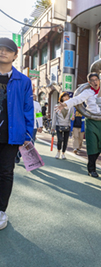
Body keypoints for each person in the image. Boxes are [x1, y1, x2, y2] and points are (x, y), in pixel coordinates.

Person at [0, 37, 34, 230]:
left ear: (15, 55)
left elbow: (28, 109)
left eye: (7, 49)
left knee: (5, 173)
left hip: (11, 136)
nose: (3, 52)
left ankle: (1, 210)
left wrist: (28, 137)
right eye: (0, 48)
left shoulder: (24, 80)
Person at [56, 73, 101, 177]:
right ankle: (91, 169)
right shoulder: (88, 92)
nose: (95, 82)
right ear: (89, 83)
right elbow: (77, 99)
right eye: (92, 80)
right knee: (92, 145)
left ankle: (92, 164)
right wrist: (65, 104)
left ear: (99, 80)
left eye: (96, 79)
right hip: (91, 120)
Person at [15, 94, 43, 163]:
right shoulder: (21, 102)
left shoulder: (36, 104)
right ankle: (17, 155)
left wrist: (40, 125)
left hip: (33, 127)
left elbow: (39, 115)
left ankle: (30, 159)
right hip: (21, 126)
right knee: (20, 142)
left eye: (34, 96)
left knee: (31, 143)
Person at [51, 92, 73, 159]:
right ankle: (58, 152)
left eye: (67, 96)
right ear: (61, 98)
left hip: (67, 125)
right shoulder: (56, 106)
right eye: (65, 96)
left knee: (66, 140)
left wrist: (72, 117)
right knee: (60, 139)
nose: (66, 98)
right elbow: (54, 117)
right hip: (59, 125)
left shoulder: (70, 106)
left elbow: (71, 115)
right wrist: (53, 127)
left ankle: (63, 154)